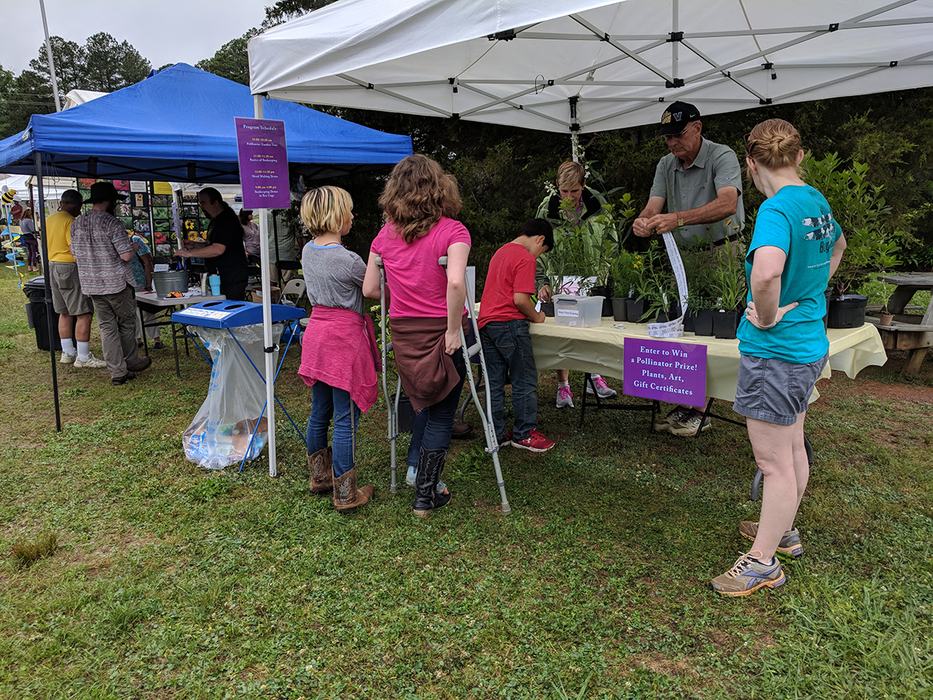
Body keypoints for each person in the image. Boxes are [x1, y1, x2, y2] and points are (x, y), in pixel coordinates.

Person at [711, 119, 847, 597]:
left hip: (777, 351)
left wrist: (767, 316)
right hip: (807, 343)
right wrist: (811, 292)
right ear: (799, 156)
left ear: (750, 163)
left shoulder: (774, 210)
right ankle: (782, 533)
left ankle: (762, 562)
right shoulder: (815, 201)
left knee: (774, 463)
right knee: (791, 447)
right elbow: (839, 246)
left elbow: (766, 274)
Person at [362, 154, 469, 518]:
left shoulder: (384, 236)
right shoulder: (453, 231)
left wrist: (404, 285)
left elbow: (371, 289)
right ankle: (425, 495)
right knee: (442, 413)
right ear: (439, 188)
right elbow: (456, 282)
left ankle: (414, 472)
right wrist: (454, 329)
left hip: (405, 332)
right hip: (441, 329)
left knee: (423, 401)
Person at [633, 101, 745, 437]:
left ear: (697, 127)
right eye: (666, 137)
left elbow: (728, 203)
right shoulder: (666, 165)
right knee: (683, 331)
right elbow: (654, 206)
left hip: (722, 253)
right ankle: (687, 404)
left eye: (678, 135)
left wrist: (679, 217)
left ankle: (701, 409)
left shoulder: (721, 156)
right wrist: (643, 221)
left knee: (712, 331)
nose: (672, 143)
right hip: (683, 257)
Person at [298, 186, 378, 512]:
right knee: (345, 417)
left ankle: (319, 476)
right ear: (336, 215)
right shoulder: (349, 260)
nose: (353, 216)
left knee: (320, 409)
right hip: (343, 338)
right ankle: (345, 492)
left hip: (317, 333)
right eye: (349, 210)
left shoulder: (307, 251)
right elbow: (375, 289)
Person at [535, 160, 617, 407]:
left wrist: (604, 273)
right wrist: (541, 281)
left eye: (575, 191)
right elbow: (536, 249)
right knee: (563, 332)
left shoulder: (597, 204)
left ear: (583, 186)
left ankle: (594, 376)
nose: (569, 196)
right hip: (559, 276)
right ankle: (563, 385)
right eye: (564, 191)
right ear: (557, 188)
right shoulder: (546, 209)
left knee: (592, 328)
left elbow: (611, 241)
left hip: (591, 276)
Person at [478, 219, 557, 452]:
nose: (538, 255)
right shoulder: (525, 257)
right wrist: (537, 317)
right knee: (524, 377)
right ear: (540, 239)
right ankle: (524, 434)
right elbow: (520, 300)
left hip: (487, 323)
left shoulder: (500, 252)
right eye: (541, 251)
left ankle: (495, 434)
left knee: (494, 381)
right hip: (510, 324)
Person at [70, 182, 152, 385]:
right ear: (110, 201)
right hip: (116, 282)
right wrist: (132, 247)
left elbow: (74, 252)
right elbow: (125, 256)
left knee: (107, 327)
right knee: (126, 323)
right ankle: (131, 360)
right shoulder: (111, 223)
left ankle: (117, 371)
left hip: (92, 283)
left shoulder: (77, 223)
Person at [44, 189, 106, 369]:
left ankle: (68, 352)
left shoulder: (50, 219)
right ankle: (84, 356)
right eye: (79, 206)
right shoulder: (70, 222)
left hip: (53, 265)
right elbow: (75, 249)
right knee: (83, 312)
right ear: (71, 204)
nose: (80, 211)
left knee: (64, 312)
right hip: (69, 267)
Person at [175, 188, 249, 300]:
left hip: (231, 276)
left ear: (215, 202)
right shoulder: (216, 220)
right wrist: (195, 245)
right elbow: (213, 244)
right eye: (200, 203)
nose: (201, 207)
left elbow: (218, 249)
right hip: (219, 276)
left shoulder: (226, 220)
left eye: (203, 202)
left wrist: (190, 253)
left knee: (230, 309)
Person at [127, 229, 162, 349]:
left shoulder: (135, 240)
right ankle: (137, 339)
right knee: (131, 312)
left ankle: (156, 339)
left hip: (138, 281)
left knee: (146, 310)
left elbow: (148, 261)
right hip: (124, 283)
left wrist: (149, 282)